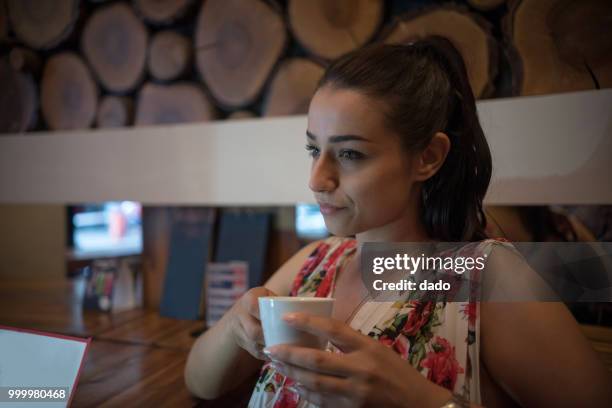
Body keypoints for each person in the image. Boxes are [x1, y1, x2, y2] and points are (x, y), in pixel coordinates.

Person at [185, 38, 611, 407]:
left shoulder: (480, 277)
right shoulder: (317, 263)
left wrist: (422, 400)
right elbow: (199, 382)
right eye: (314, 150)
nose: (317, 179)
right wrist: (233, 328)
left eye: (350, 154)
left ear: (427, 157)